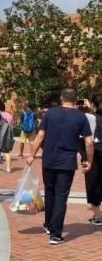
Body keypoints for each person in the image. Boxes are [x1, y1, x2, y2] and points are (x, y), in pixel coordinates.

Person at [27, 87, 93, 245]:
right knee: (61, 197)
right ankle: (55, 234)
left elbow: (40, 136)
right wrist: (89, 161)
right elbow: (89, 142)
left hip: (49, 159)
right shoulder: (81, 117)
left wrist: (31, 155)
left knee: (49, 193)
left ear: (62, 98)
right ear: (75, 99)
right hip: (67, 162)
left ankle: (49, 225)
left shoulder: (50, 114)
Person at [83, 94, 102, 225]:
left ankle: (98, 216)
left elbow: (87, 140)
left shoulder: (90, 117)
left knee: (93, 183)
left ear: (93, 104)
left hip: (94, 155)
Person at [0, 100, 14, 173]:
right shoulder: (9, 115)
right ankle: (8, 168)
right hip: (8, 135)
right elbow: (12, 124)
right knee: (7, 152)